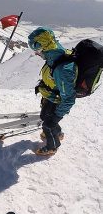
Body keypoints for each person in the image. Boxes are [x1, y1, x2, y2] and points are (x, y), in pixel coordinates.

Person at [28, 27, 77, 156]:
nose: (36, 53)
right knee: (44, 116)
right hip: (52, 95)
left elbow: (69, 99)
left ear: (45, 47)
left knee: (48, 124)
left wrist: (56, 118)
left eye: (37, 50)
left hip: (58, 99)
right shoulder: (54, 53)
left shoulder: (63, 69)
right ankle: (57, 133)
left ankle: (52, 146)